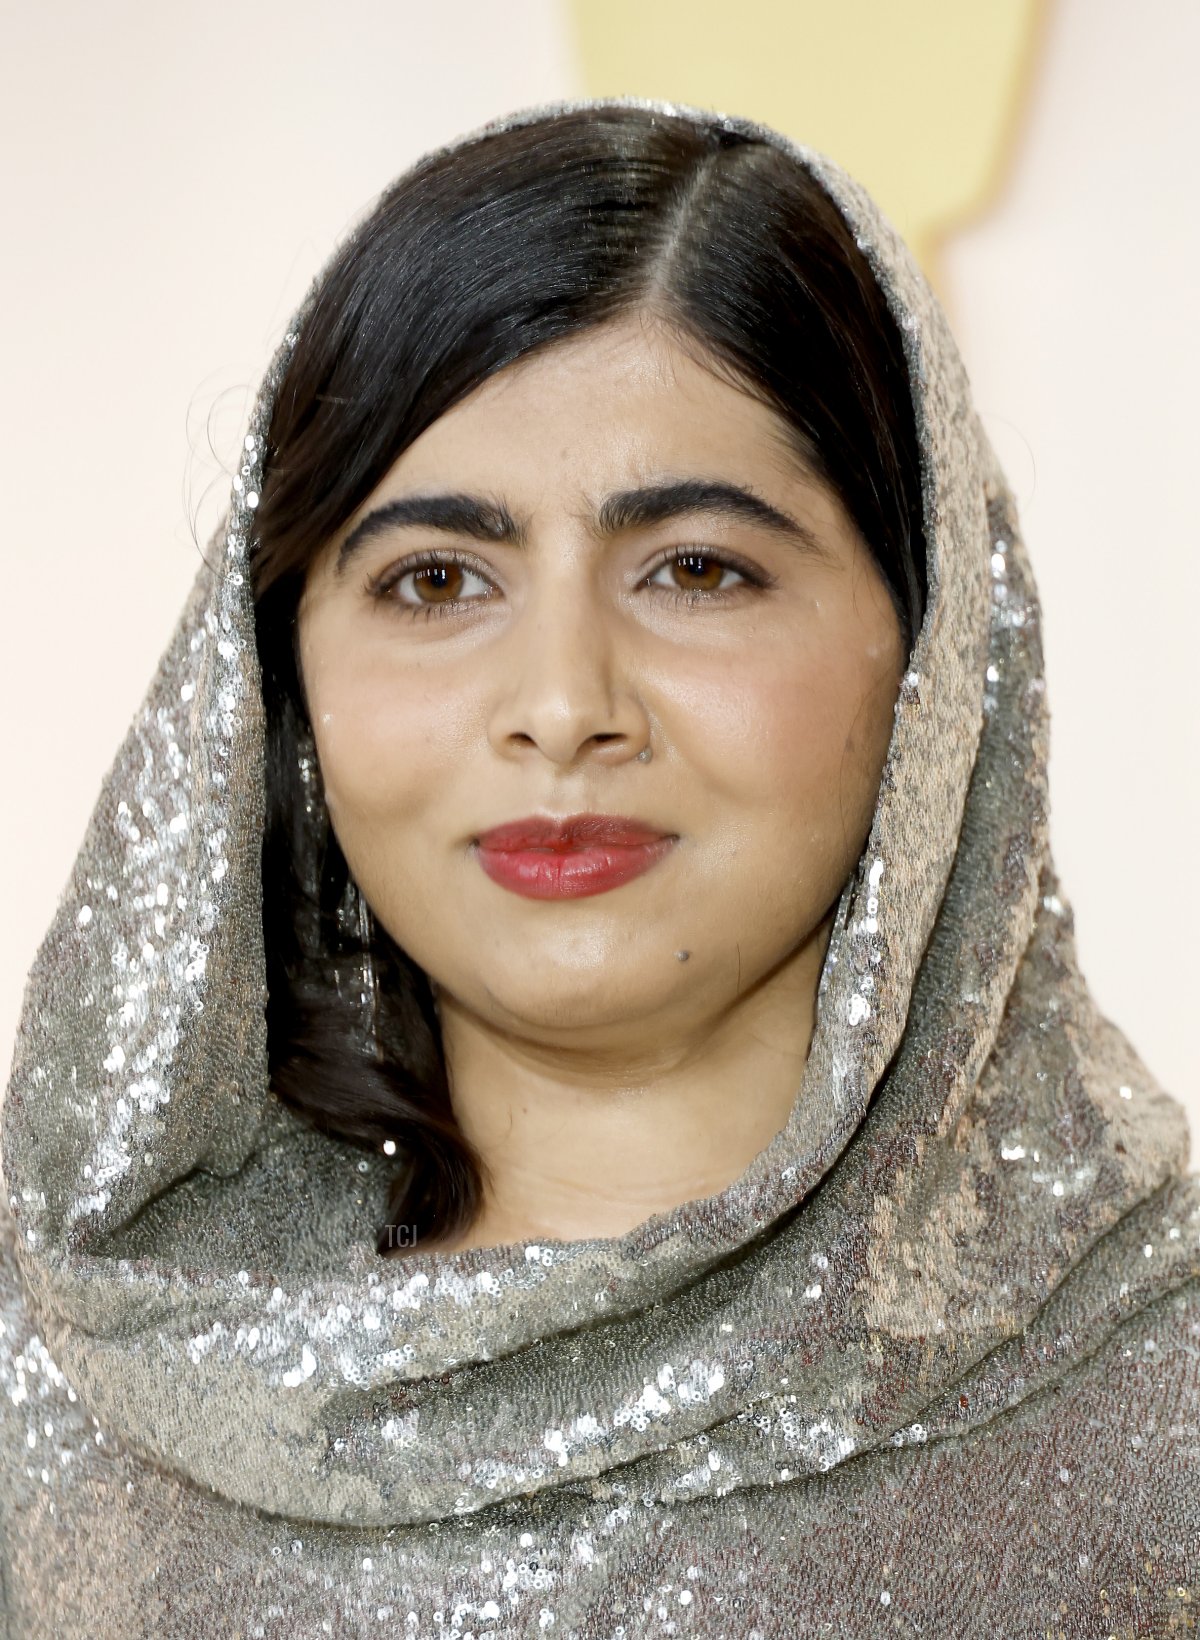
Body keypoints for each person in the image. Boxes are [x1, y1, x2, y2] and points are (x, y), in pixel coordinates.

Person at [0, 97, 1195, 1637]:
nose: (563, 704)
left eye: (697, 569)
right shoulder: (80, 1382)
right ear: (278, 686)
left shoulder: (1155, 1411)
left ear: (934, 649)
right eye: (436, 581)